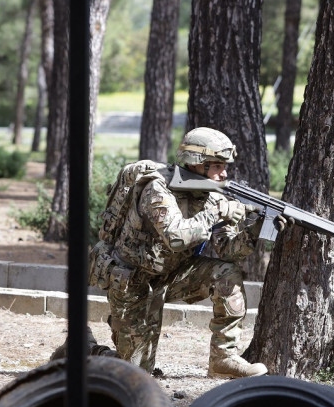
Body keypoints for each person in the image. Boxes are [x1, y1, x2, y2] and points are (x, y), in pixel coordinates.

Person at [62, 127, 274, 379]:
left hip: (173, 275)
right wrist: (218, 213)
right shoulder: (157, 189)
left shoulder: (212, 196)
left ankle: (223, 357)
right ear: (198, 163)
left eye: (224, 165)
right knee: (135, 372)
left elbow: (228, 249)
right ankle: (83, 349)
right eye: (217, 165)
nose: (224, 172)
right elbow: (176, 236)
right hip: (133, 281)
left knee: (226, 273)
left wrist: (257, 228)